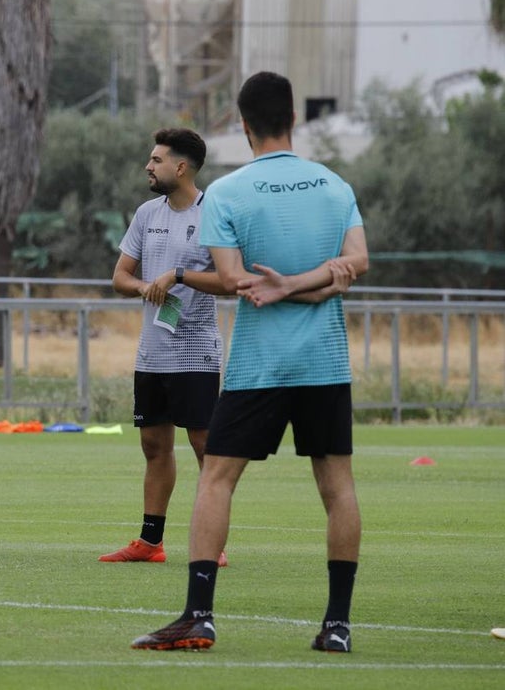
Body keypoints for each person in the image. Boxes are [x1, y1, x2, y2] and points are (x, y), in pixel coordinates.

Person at [132, 71, 368, 652]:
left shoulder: (231, 193)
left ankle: (198, 616)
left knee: (216, 477)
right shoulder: (335, 185)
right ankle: (337, 626)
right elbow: (357, 262)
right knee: (337, 485)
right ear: (293, 119)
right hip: (325, 363)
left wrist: (283, 287)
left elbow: (235, 280)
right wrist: (314, 285)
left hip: (259, 366)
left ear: (243, 123)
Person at [100, 128, 230, 566]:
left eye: (156, 160)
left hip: (196, 352)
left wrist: (177, 275)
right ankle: (150, 542)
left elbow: (231, 281)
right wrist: (144, 287)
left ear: (180, 167)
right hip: (152, 351)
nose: (148, 166)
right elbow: (120, 277)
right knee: (154, 447)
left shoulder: (214, 211)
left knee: (205, 448)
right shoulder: (146, 213)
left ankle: (214, 544)